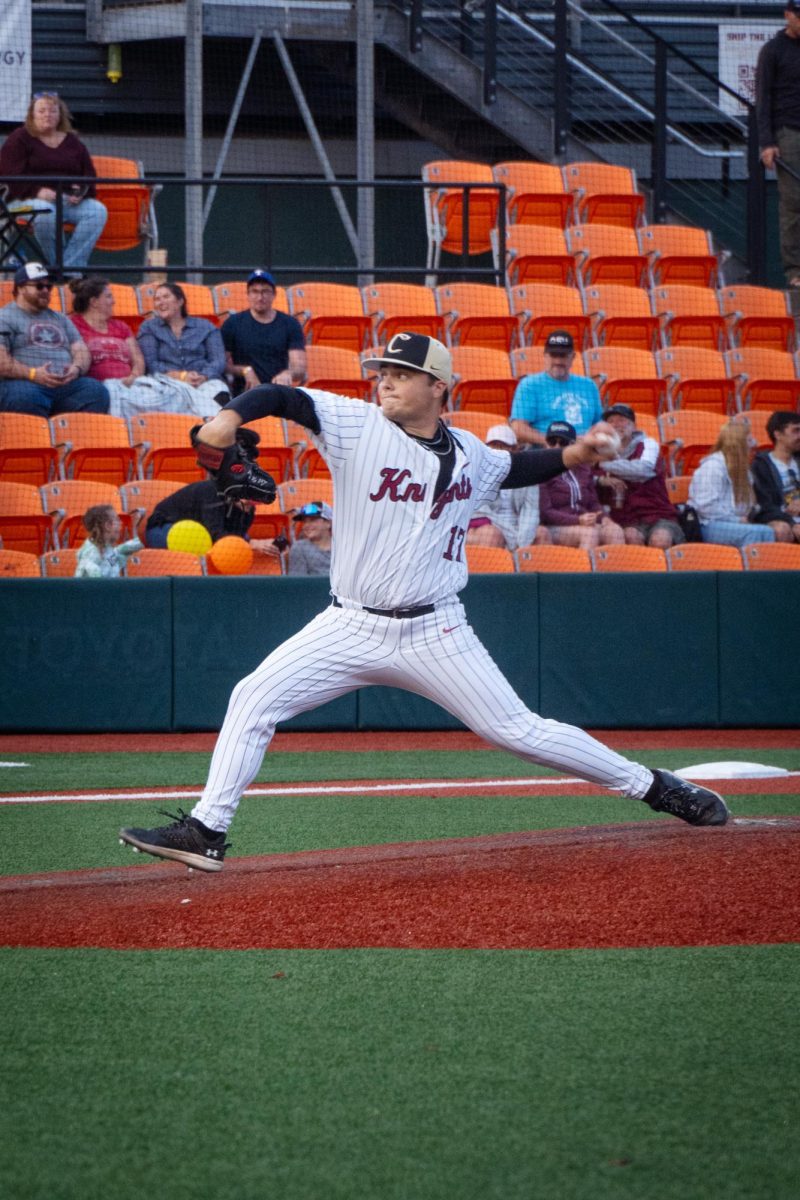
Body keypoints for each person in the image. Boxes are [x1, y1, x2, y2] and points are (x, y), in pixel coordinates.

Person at [118, 332, 728, 872]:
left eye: (401, 373)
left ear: (437, 386)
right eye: (382, 370)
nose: (385, 380)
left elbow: (519, 468)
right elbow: (284, 400)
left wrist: (575, 455)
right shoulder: (357, 424)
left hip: (437, 631)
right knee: (252, 696)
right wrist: (228, 416)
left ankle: (654, 787)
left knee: (518, 731)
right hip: (349, 624)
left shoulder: (469, 451)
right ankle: (206, 830)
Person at [0, 92, 107, 272]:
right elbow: (8, 174)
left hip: (65, 199)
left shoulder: (73, 142)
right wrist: (37, 191)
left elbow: (88, 174)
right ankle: (61, 270)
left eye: (52, 111)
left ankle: (68, 270)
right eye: (41, 111)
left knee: (97, 211)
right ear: (32, 115)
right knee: (46, 212)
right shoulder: (19, 138)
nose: (47, 115)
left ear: (60, 115)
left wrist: (81, 193)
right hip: (23, 200)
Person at [0, 261, 108, 417]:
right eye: (39, 286)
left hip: (65, 387)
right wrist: (32, 374)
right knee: (26, 396)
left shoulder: (60, 318)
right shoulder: (5, 316)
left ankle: (70, 439)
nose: (45, 290)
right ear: (21, 288)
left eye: (48, 287)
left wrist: (76, 369)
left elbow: (81, 350)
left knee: (96, 391)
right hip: (25, 384)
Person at [144, 428, 271, 552]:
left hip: (199, 533)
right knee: (197, 543)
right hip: (165, 528)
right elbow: (215, 533)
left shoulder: (248, 509)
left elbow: (234, 537)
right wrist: (250, 543)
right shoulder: (213, 491)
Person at [594, 403, 685, 550]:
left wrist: (602, 465)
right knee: (631, 537)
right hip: (626, 520)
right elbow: (586, 478)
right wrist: (601, 479)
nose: (616, 425)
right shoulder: (600, 450)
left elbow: (643, 470)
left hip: (658, 515)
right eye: (611, 422)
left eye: (621, 420)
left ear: (633, 426)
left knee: (660, 540)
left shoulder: (648, 444)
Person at [755, 4, 800, 287]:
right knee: (794, 202)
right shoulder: (773, 50)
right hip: (789, 132)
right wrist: (767, 142)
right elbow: (763, 98)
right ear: (788, 15)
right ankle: (795, 271)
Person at [136, 283, 230, 417]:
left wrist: (203, 376)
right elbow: (150, 363)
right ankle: (210, 423)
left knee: (220, 393)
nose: (160, 303)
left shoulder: (205, 326)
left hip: (205, 382)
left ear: (180, 301)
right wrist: (180, 376)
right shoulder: (149, 328)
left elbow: (218, 360)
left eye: (166, 297)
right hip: (166, 384)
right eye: (157, 299)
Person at [538, 420, 625, 551]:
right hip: (554, 526)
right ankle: (580, 571)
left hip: (584, 522)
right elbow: (545, 513)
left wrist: (605, 519)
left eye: (563, 442)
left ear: (573, 446)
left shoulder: (583, 468)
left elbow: (593, 503)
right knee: (589, 534)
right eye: (552, 442)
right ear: (546, 444)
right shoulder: (541, 469)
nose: (556, 447)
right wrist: (578, 520)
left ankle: (617, 572)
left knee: (615, 531)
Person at [688, 421, 776, 547]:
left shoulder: (744, 470)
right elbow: (705, 507)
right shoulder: (713, 467)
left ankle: (768, 567)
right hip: (709, 524)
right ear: (738, 444)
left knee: (768, 532)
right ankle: (751, 566)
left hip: (735, 522)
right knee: (754, 532)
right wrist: (737, 519)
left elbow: (747, 505)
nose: (754, 444)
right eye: (749, 440)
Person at [509, 330, 602, 446]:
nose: (558, 361)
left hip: (584, 451)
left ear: (572, 357)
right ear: (545, 356)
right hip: (547, 452)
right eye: (554, 355)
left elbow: (599, 424)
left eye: (563, 356)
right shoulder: (529, 385)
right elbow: (518, 427)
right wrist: (550, 441)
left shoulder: (589, 385)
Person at [220, 269, 307, 393]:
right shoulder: (232, 323)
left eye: (265, 291)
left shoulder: (290, 323)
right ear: (248, 295)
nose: (260, 297)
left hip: (278, 391)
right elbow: (220, 364)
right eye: (255, 292)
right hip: (245, 392)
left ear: (274, 295)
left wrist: (288, 373)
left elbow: (299, 367)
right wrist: (245, 370)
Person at [466, 424, 551, 549]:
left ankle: (536, 568)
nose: (498, 451)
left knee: (542, 533)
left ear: (515, 449)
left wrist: (522, 541)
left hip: (517, 530)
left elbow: (530, 512)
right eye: (494, 445)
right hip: (485, 528)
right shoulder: (477, 473)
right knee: (491, 534)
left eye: (504, 446)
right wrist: (511, 536)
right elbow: (483, 513)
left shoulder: (528, 474)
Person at [751, 409, 800, 542]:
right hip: (778, 517)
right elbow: (764, 506)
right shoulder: (760, 466)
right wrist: (792, 523)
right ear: (778, 434)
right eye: (795, 431)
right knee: (781, 529)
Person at [74, 504, 142, 578]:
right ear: (108, 526)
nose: (121, 523)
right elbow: (101, 581)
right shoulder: (90, 554)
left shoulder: (107, 548)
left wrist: (140, 543)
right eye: (117, 520)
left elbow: (114, 556)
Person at [286, 501, 334, 576]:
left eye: (312, 520)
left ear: (328, 523)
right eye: (305, 521)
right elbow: (298, 583)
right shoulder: (299, 548)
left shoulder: (343, 546)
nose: (306, 525)